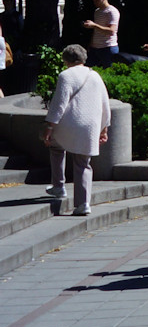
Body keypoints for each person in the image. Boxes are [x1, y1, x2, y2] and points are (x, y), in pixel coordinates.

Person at [42, 44, 110, 216]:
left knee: (56, 146)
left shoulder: (65, 76)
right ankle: (83, 203)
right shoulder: (95, 75)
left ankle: (59, 186)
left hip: (69, 124)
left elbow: (59, 103)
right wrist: (104, 128)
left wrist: (50, 126)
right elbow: (105, 103)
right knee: (83, 163)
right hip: (90, 126)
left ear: (66, 59)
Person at [80, 0, 119, 68]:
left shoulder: (112, 11)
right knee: (88, 69)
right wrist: (91, 44)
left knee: (109, 72)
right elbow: (96, 30)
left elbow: (111, 31)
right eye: (94, 1)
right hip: (95, 48)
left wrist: (94, 25)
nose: (95, 3)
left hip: (108, 47)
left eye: (97, 1)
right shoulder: (97, 11)